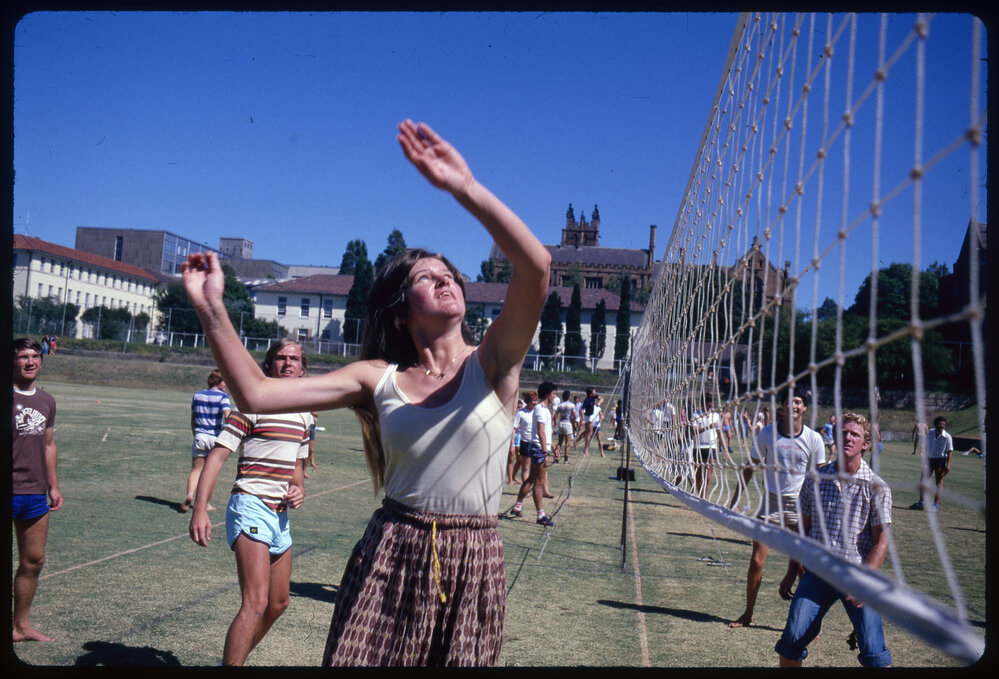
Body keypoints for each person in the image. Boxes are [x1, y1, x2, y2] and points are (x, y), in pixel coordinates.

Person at [182, 119, 550, 667]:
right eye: (428, 277)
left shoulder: (493, 363)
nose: (446, 278)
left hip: (474, 559)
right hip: (391, 550)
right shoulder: (374, 378)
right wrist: (212, 310)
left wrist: (464, 187)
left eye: (449, 272)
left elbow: (536, 267)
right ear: (403, 314)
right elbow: (256, 394)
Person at [188, 340, 313, 666]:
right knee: (255, 602)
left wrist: (298, 490)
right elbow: (216, 458)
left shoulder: (305, 415)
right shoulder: (251, 404)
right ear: (269, 364)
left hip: (279, 515)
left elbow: (297, 470)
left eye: (294, 359)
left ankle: (234, 661)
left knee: (278, 602)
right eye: (280, 358)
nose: (287, 364)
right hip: (250, 505)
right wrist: (200, 509)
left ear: (302, 367)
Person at [775, 412, 893, 668]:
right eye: (843, 432)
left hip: (856, 575)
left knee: (874, 652)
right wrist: (791, 570)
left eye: (855, 434)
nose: (848, 437)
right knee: (792, 638)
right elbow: (802, 532)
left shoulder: (877, 487)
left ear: (866, 444)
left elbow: (880, 542)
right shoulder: (815, 479)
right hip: (817, 572)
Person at [727, 389, 825, 629]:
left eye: (798, 402)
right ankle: (748, 614)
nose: (793, 406)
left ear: (804, 408)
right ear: (781, 406)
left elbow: (823, 477)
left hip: (799, 505)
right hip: (770, 503)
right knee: (757, 561)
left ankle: (807, 624)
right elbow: (750, 468)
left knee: (802, 568)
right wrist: (733, 501)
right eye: (788, 401)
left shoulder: (814, 439)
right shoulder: (767, 434)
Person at [12, 337, 63, 642]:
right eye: (22, 357)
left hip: (34, 494)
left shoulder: (46, 400)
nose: (30, 362)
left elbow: (48, 445)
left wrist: (53, 486)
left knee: (34, 561)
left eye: (35, 356)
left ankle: (21, 626)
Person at [181, 369, 231, 513]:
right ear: (219, 382)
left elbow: (193, 418)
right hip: (215, 438)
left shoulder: (198, 395)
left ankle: (190, 495)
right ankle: (206, 503)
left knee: (196, 470)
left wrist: (194, 433)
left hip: (199, 435)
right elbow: (227, 416)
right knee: (211, 472)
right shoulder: (223, 397)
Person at [510, 382, 558, 525]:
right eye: (554, 394)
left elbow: (544, 433)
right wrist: (545, 452)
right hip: (538, 449)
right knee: (539, 482)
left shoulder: (541, 409)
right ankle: (540, 516)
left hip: (538, 447)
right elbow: (541, 432)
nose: (555, 397)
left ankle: (517, 507)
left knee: (531, 479)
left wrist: (553, 446)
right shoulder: (541, 410)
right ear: (548, 394)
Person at [912, 415, 953, 511]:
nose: (942, 426)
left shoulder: (947, 437)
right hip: (930, 459)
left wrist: (948, 466)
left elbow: (949, 452)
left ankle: (935, 506)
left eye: (944, 424)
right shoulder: (930, 433)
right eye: (940, 424)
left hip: (940, 460)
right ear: (936, 424)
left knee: (939, 484)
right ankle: (921, 503)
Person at [689, 398, 722, 497]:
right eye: (708, 402)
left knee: (708, 477)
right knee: (698, 475)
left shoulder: (716, 416)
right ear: (704, 403)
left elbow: (719, 433)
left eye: (711, 402)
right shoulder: (696, 414)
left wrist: (723, 448)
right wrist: (708, 427)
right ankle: (699, 495)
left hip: (711, 447)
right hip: (698, 447)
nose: (710, 404)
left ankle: (705, 498)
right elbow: (693, 431)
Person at [509, 395, 534, 484]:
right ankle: (512, 480)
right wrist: (511, 444)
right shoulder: (520, 413)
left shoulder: (536, 412)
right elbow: (514, 428)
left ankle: (514, 476)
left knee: (521, 461)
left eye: (536, 400)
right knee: (520, 464)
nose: (535, 402)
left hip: (531, 441)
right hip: (522, 441)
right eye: (533, 400)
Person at [554, 389, 576, 463]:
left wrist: (555, 422)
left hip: (561, 423)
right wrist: (572, 421)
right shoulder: (572, 405)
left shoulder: (560, 405)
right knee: (567, 443)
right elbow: (575, 416)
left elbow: (555, 415)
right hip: (567, 423)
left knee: (560, 442)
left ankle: (556, 457)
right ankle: (566, 459)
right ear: (569, 397)